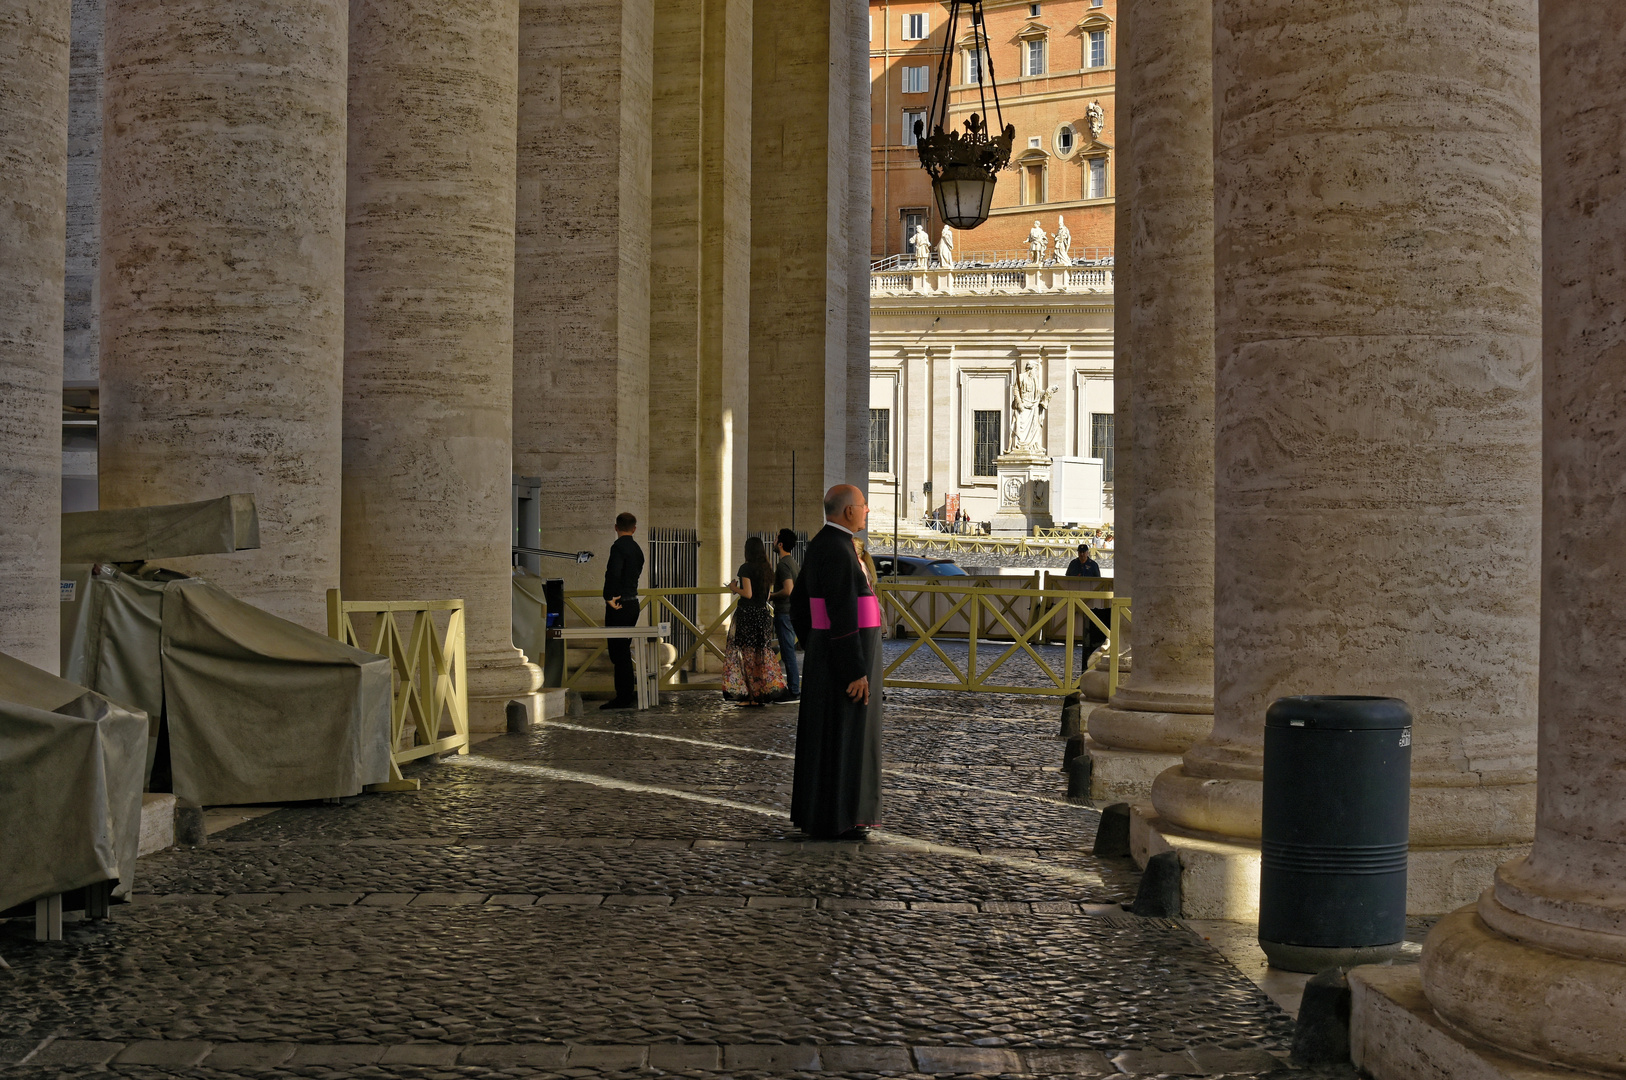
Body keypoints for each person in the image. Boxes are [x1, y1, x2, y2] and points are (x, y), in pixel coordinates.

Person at [791, 485, 883, 840]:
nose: (867, 511)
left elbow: (800, 606)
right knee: (846, 739)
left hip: (827, 656)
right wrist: (855, 671)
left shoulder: (822, 544)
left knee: (826, 740)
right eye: (863, 506)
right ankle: (845, 817)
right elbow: (844, 614)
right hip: (845, 664)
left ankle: (828, 814)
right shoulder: (841, 550)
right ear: (848, 512)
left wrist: (815, 643)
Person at [723, 536, 789, 705]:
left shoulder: (746, 568)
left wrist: (733, 588)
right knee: (761, 655)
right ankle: (761, 693)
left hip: (748, 615)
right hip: (762, 614)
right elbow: (766, 595)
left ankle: (751, 697)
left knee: (747, 656)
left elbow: (748, 593)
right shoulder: (767, 568)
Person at [601, 511, 644, 709]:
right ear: (634, 528)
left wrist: (609, 597)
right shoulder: (637, 549)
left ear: (616, 527)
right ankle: (627, 693)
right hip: (633, 602)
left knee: (618, 653)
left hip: (619, 603)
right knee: (623, 650)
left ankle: (624, 696)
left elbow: (613, 573)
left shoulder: (618, 547)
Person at [770, 529, 801, 700]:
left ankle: (794, 690)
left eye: (775, 539)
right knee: (789, 652)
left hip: (784, 612)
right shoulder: (793, 562)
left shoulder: (783, 565)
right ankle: (794, 688)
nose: (773, 541)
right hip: (792, 612)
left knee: (788, 652)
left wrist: (771, 596)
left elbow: (789, 590)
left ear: (780, 544)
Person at [1064, 543, 1108, 657]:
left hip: (1091, 597)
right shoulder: (1073, 564)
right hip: (1074, 595)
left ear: (1088, 553)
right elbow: (1066, 578)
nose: (1082, 554)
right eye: (1080, 552)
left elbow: (1099, 581)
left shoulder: (1093, 565)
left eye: (1084, 552)